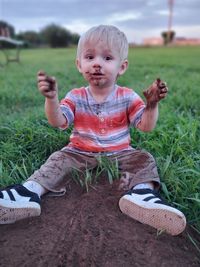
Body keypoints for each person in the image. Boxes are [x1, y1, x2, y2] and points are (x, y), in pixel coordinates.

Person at [0, 25, 186, 235]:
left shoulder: (127, 96)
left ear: (122, 67)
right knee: (57, 160)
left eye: (107, 58)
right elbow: (57, 121)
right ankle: (28, 193)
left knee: (144, 159)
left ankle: (142, 196)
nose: (97, 63)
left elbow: (145, 126)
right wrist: (51, 99)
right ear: (79, 64)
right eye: (90, 57)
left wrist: (151, 106)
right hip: (78, 151)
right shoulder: (77, 96)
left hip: (120, 153)